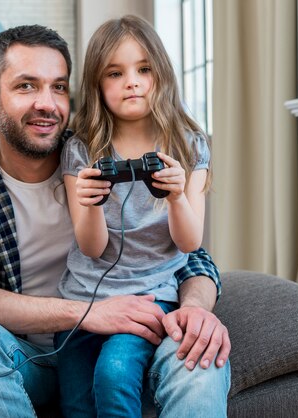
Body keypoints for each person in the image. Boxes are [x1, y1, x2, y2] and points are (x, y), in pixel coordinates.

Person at [0, 24, 230, 417]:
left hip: (134, 329)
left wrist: (198, 308)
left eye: (57, 87)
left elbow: (188, 253)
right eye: (26, 86)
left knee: (200, 357)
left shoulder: (101, 153)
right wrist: (88, 313)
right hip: (26, 354)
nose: (46, 104)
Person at [55, 15, 217, 417]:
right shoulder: (82, 149)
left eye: (144, 69)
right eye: (115, 73)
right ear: (97, 85)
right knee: (76, 402)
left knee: (114, 373)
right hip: (85, 298)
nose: (132, 81)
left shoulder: (188, 145)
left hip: (152, 295)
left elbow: (190, 243)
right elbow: (92, 247)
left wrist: (177, 197)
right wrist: (91, 204)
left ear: (161, 73)